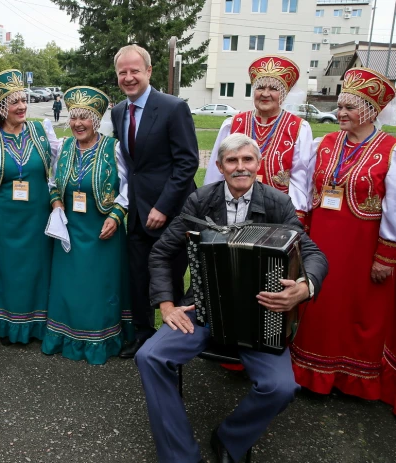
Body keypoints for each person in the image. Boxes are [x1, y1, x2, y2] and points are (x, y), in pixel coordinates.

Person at [136, 133, 328, 463]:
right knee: (149, 356)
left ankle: (231, 438)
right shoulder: (201, 200)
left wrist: (305, 286)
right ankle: (180, 455)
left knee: (281, 387)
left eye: (247, 160)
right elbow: (161, 252)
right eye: (232, 161)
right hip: (203, 307)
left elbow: (310, 250)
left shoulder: (277, 203)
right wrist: (166, 304)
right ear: (221, 167)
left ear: (259, 165)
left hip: (260, 314)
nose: (241, 167)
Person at [290, 68, 396, 403]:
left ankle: (351, 381)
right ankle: (312, 376)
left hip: (362, 247)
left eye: (351, 107)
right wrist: (300, 231)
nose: (341, 113)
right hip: (321, 239)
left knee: (356, 311)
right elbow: (306, 189)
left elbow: (394, 206)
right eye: (340, 106)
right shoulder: (326, 143)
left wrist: (386, 254)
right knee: (319, 302)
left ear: (371, 110)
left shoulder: (390, 150)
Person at [111, 44, 200, 358]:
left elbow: (187, 163)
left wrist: (162, 206)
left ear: (148, 71)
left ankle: (172, 340)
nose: (129, 77)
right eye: (123, 72)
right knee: (138, 278)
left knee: (170, 279)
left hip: (170, 214)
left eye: (135, 70)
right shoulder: (119, 111)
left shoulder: (173, 107)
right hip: (135, 213)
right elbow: (130, 166)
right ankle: (143, 335)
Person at [42, 86, 133, 364]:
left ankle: (99, 341)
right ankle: (67, 336)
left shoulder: (113, 148)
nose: (78, 124)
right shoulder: (65, 146)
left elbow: (129, 186)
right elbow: (53, 182)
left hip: (102, 230)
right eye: (73, 118)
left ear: (96, 120)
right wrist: (56, 203)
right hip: (70, 229)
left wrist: (116, 215)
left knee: (99, 287)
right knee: (71, 287)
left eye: (85, 118)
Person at [0, 69, 59, 344]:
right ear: (0, 108)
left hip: (36, 220)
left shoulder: (41, 131)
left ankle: (34, 325)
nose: (22, 106)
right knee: (5, 274)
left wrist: (57, 200)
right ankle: (3, 325)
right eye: (14, 102)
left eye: (23, 100)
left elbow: (56, 172)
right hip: (1, 224)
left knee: (35, 271)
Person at [204, 55, 313, 231]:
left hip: (275, 211)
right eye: (260, 87)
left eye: (273, 88)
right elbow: (215, 172)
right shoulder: (233, 123)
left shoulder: (299, 128)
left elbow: (300, 177)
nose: (265, 94)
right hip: (233, 206)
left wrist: (295, 215)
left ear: (283, 93)